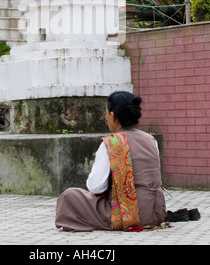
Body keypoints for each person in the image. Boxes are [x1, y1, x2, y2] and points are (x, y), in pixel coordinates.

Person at [55, 91, 167, 232]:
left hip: (128, 215)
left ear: (113, 116)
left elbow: (95, 187)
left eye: (106, 113)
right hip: (156, 213)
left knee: (69, 196)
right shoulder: (151, 140)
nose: (106, 117)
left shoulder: (112, 143)